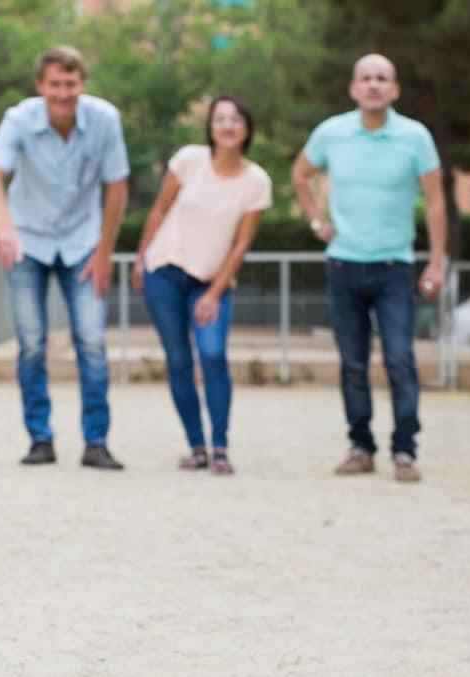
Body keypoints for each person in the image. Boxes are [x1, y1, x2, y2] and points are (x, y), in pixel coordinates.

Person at [292, 53, 446, 483]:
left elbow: (435, 201)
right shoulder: (332, 133)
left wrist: (435, 261)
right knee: (353, 363)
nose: (374, 85)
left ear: (395, 89)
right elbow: (300, 173)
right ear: (353, 89)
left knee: (400, 358)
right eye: (366, 78)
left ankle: (405, 450)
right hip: (344, 265)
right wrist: (316, 220)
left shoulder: (415, 137)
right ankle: (361, 445)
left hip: (394, 266)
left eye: (382, 78)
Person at [0, 46, 129, 470]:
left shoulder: (104, 120)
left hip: (82, 244)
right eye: (55, 84)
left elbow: (117, 187)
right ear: (41, 85)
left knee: (93, 342)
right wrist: (3, 226)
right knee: (31, 343)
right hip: (28, 241)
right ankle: (40, 439)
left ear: (82, 84)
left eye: (71, 84)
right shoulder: (19, 119)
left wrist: (104, 252)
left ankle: (96, 442)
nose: (63, 93)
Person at [132, 96, 271, 475]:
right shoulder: (189, 161)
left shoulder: (256, 182)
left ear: (246, 128)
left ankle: (220, 445)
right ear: (210, 127)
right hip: (164, 271)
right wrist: (141, 258)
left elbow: (241, 244)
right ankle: (196, 446)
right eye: (220, 119)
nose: (227, 125)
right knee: (178, 359)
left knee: (212, 354)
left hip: (211, 281)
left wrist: (213, 293)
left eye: (235, 119)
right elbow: (159, 210)